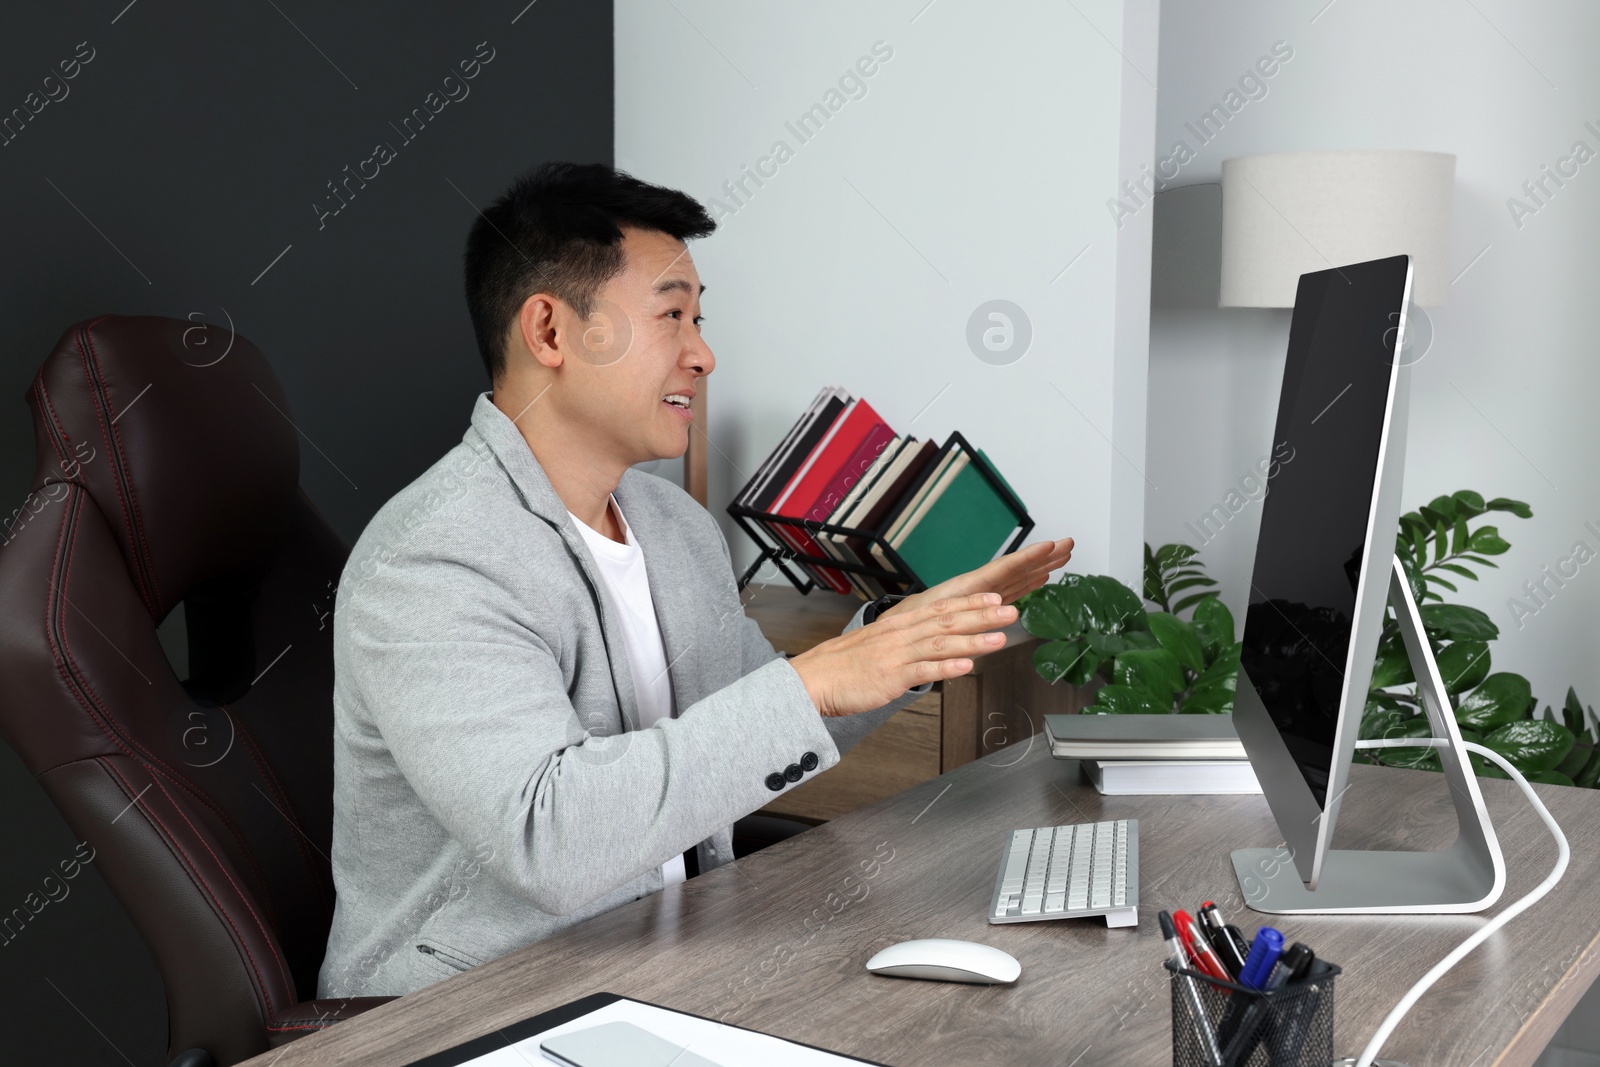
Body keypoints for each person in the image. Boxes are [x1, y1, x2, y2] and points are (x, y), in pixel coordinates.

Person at [317, 161, 1074, 997]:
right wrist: (814, 683)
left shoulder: (669, 524)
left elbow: (755, 715)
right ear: (549, 332)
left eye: (699, 318)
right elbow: (548, 839)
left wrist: (900, 644)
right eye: (672, 314)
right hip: (458, 1008)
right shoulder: (434, 560)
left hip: (657, 961)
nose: (703, 353)